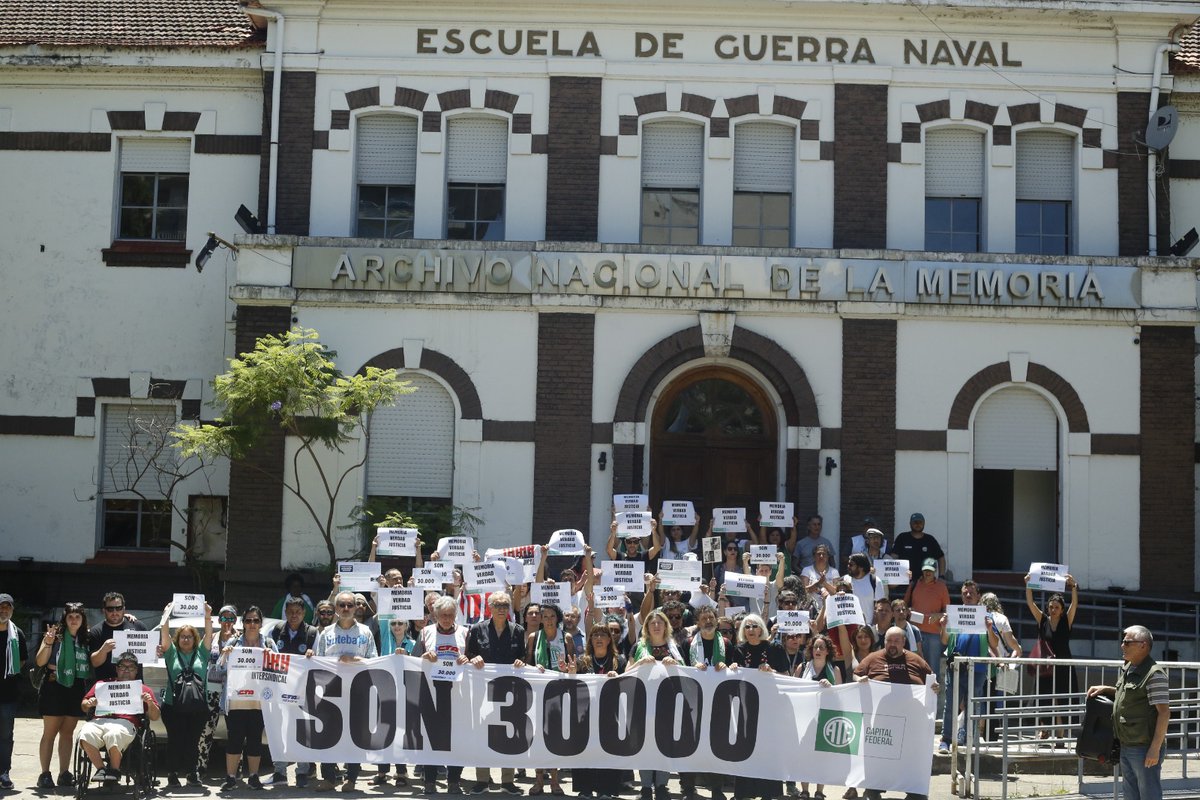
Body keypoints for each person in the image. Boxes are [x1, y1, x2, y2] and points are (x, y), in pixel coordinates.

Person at [855, 627, 938, 800]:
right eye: (889, 641)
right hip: (882, 722)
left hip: (911, 723)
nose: (892, 645)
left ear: (904, 642)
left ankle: (915, 790)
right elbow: (856, 674)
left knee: (911, 758)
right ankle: (873, 790)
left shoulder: (916, 660)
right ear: (884, 641)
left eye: (896, 641)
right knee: (878, 759)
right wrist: (859, 680)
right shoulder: (873, 658)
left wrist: (935, 687)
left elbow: (932, 680)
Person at [1087, 626, 1170, 800]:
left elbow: (1163, 713)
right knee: (1131, 795)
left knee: (1149, 795)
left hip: (1144, 747)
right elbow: (1128, 695)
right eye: (1123, 641)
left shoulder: (1154, 675)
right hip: (1127, 744)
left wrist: (1154, 749)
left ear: (1143, 645)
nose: (1122, 645)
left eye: (1127, 642)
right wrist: (1107, 689)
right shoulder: (1130, 668)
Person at [309, 591, 378, 792]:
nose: (346, 609)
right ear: (336, 609)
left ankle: (351, 779)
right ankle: (329, 778)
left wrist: (354, 660)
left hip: (357, 692)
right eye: (342, 606)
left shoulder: (365, 632)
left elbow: (374, 660)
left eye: (350, 605)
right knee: (327, 735)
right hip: (330, 692)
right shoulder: (326, 633)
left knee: (355, 737)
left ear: (356, 608)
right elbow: (318, 662)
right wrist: (311, 656)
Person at [465, 592, 526, 796]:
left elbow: (523, 657)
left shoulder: (518, 631)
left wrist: (521, 662)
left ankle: (507, 781)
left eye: (505, 605)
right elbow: (468, 654)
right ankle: (482, 780)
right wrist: (473, 659)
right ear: (490, 607)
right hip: (483, 691)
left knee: (508, 736)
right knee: (483, 734)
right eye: (497, 605)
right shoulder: (477, 629)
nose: (502, 608)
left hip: (510, 692)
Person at [216, 605, 279, 791]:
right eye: (249, 620)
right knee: (234, 739)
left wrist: (271, 658)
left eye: (256, 620)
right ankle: (231, 778)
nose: (252, 624)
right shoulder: (234, 643)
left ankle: (253, 776)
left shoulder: (268, 643)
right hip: (236, 701)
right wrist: (225, 655)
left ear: (261, 623)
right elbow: (219, 670)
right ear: (243, 623)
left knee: (255, 740)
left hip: (259, 702)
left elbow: (278, 670)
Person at [77, 651, 161, 784]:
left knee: (114, 733)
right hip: (99, 720)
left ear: (136, 671)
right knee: (85, 733)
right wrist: (88, 703)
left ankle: (115, 770)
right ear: (117, 669)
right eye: (123, 667)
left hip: (126, 722)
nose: (126, 671)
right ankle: (101, 769)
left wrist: (149, 703)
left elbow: (155, 716)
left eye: (131, 667)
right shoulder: (103, 684)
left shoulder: (143, 689)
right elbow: (83, 705)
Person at [413, 595, 468, 795]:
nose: (446, 619)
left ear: (455, 615)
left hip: (457, 692)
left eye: (450, 615)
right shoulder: (425, 632)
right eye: (443, 615)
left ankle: (454, 780)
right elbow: (413, 661)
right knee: (431, 737)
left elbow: (474, 659)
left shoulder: (465, 633)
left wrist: (467, 658)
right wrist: (424, 657)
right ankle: (430, 780)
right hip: (430, 690)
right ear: (435, 615)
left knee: (456, 737)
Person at [937, 580, 999, 755]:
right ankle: (946, 741)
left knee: (973, 705)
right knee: (950, 705)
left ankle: (969, 740)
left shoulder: (986, 616)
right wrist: (943, 626)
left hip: (977, 668)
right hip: (955, 666)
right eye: (965, 593)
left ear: (978, 595)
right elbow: (944, 640)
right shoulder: (954, 614)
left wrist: (989, 628)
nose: (968, 595)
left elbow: (994, 643)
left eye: (972, 593)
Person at [35, 602, 91, 789]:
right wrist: (48, 642)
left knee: (67, 733)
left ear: (82, 620)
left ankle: (64, 773)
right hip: (54, 684)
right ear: (65, 619)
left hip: (75, 686)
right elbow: (40, 660)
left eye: (77, 617)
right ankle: (44, 774)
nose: (74, 620)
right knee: (49, 733)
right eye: (70, 617)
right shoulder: (55, 635)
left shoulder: (86, 637)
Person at [157, 601, 212, 789]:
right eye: (182, 637)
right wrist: (166, 615)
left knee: (193, 742)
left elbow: (209, 634)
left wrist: (207, 615)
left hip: (197, 707)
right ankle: (172, 774)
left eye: (189, 637)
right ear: (177, 639)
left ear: (194, 639)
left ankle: (191, 773)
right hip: (173, 707)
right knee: (175, 740)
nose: (186, 640)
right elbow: (164, 635)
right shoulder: (171, 653)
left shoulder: (202, 653)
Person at [626, 610, 681, 800]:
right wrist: (640, 662)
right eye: (652, 623)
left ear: (666, 626)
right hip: (642, 704)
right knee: (645, 745)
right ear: (646, 628)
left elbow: (686, 672)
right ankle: (646, 787)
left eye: (660, 623)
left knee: (665, 745)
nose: (656, 626)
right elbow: (626, 672)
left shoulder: (674, 647)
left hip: (668, 705)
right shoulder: (638, 647)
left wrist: (674, 664)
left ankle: (662, 785)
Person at [728, 614, 780, 800]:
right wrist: (732, 668)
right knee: (745, 749)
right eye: (747, 627)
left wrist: (771, 672)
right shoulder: (739, 649)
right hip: (746, 707)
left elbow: (786, 674)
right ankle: (744, 793)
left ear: (761, 629)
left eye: (754, 626)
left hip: (769, 708)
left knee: (767, 749)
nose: (751, 630)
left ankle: (768, 793)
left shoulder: (774, 648)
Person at [1024, 572, 1079, 742]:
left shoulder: (1066, 621)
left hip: (1063, 665)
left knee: (1061, 699)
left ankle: (1060, 734)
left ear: (1062, 610)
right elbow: (1030, 603)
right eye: (1051, 607)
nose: (1053, 610)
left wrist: (1074, 587)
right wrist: (1028, 585)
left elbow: (1075, 604)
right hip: (1045, 666)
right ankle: (1044, 729)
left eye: (1056, 607)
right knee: (1043, 697)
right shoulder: (1042, 620)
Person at [574, 624, 626, 800]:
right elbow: (574, 684)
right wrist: (571, 672)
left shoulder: (620, 661)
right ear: (590, 640)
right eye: (595, 635)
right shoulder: (582, 661)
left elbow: (630, 682)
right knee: (585, 750)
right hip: (586, 714)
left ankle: (607, 789)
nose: (599, 638)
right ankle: (585, 788)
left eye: (603, 634)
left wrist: (618, 678)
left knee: (608, 752)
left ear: (609, 639)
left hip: (611, 714)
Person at [269, 596, 317, 788]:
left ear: (304, 613)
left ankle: (302, 771)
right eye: (290, 612)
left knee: (301, 731)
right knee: (279, 730)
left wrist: (313, 655)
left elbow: (319, 661)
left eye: (298, 612)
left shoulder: (312, 633)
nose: (294, 615)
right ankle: (280, 771)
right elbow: (269, 655)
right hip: (279, 689)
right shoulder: (277, 631)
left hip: (302, 689)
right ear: (285, 613)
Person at [528, 603, 574, 796]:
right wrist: (533, 669)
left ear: (558, 618)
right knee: (537, 738)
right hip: (538, 693)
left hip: (559, 693)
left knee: (554, 738)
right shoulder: (533, 637)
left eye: (552, 616)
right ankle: (538, 780)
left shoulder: (566, 638)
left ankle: (555, 780)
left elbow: (574, 665)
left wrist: (567, 668)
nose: (548, 620)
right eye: (544, 616)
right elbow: (526, 664)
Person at [796, 634, 840, 800]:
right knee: (804, 755)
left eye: (822, 647)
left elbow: (841, 696)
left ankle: (819, 791)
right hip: (805, 718)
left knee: (822, 756)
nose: (818, 650)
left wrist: (831, 688)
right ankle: (805, 790)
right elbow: (793, 690)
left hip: (825, 719)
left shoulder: (834, 670)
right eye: (815, 647)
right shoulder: (802, 668)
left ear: (828, 651)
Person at [198, 605, 240, 777]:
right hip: (213, 690)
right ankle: (201, 766)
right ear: (219, 620)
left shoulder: (241, 638)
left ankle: (236, 769)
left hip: (233, 690)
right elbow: (202, 657)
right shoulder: (212, 637)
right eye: (224, 618)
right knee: (206, 730)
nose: (227, 622)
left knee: (236, 731)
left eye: (231, 619)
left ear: (235, 620)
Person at [904, 559, 949, 682]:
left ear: (935, 572)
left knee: (932, 669)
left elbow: (948, 611)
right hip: (914, 632)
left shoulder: (941, 587)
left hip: (934, 634)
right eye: (925, 570)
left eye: (930, 570)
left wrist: (939, 615)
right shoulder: (914, 584)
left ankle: (932, 698)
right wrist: (908, 610)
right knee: (913, 665)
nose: (927, 573)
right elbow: (904, 604)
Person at [0, 592, 27, 791]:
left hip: (8, 694)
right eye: (1, 606)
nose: (4, 610)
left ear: (12, 610)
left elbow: (22, 661)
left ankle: (3, 772)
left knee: (5, 735)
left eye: (7, 607)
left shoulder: (17, 634)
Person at [89, 592, 148, 682]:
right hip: (107, 688)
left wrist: (157, 650)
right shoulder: (96, 631)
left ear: (124, 609)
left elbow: (150, 651)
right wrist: (103, 650)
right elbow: (94, 663)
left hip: (134, 686)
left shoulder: (138, 626)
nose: (115, 612)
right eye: (110, 609)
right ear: (104, 610)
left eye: (118, 608)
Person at [890, 513, 945, 580]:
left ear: (924, 523)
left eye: (920, 522)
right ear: (910, 523)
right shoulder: (902, 538)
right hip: (904, 580)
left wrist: (941, 577)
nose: (918, 524)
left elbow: (941, 557)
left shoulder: (930, 540)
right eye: (915, 522)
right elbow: (893, 558)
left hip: (925, 582)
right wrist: (891, 577)